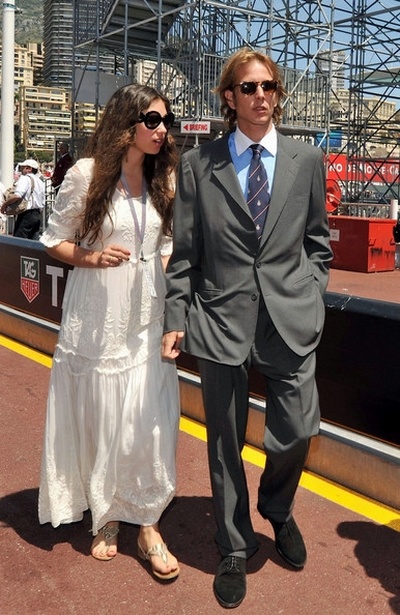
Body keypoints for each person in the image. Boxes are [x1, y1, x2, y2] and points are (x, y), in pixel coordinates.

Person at [162, 47, 332, 608]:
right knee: (224, 442)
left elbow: (318, 242)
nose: (261, 96)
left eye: (269, 86)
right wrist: (176, 317)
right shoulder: (198, 165)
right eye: (249, 87)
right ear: (229, 97)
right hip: (220, 318)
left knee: (298, 430)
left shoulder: (307, 159)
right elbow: (185, 254)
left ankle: (277, 509)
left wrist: (310, 292)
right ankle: (233, 543)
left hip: (290, 318)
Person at [38, 84, 181, 581]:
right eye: (152, 120)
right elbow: (53, 239)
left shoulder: (165, 179)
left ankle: (147, 522)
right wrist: (93, 257)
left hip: (148, 314)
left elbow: (168, 242)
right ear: (126, 123)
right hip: (98, 312)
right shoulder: (85, 174)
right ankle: (106, 513)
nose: (162, 130)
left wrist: (163, 284)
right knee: (102, 415)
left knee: (149, 420)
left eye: (166, 121)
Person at [0, 159, 45, 239]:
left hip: (26, 213)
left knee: (19, 239)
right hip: (37, 213)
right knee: (33, 240)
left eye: (23, 168)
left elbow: (17, 195)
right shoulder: (40, 181)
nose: (21, 170)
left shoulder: (25, 178)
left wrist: (5, 205)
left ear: (29, 169)